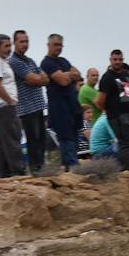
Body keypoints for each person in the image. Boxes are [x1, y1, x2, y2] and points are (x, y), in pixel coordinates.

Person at [8, 30, 49, 173]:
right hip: (26, 108)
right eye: (21, 42)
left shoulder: (30, 60)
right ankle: (36, 169)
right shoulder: (14, 62)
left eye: (26, 41)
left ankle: (41, 167)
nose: (25, 44)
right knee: (33, 140)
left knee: (42, 139)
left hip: (38, 105)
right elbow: (35, 78)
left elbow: (45, 78)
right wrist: (36, 80)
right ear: (14, 43)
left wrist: (37, 80)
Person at [40, 34, 82, 170]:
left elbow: (78, 75)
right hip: (59, 108)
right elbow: (63, 81)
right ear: (48, 45)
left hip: (72, 105)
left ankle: (74, 166)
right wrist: (69, 75)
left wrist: (68, 75)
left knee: (74, 138)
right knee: (66, 138)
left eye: (60, 45)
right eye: (55, 45)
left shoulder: (63, 61)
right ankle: (71, 167)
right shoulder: (46, 63)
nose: (58, 47)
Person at [0, 34, 24, 177]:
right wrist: (10, 100)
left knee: (3, 142)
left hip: (3, 106)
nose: (9, 49)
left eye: (10, 46)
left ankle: (5, 173)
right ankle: (18, 171)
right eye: (6, 46)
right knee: (12, 139)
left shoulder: (3, 62)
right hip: (3, 106)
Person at [94, 50, 129, 171]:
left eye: (120, 59)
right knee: (124, 142)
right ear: (110, 60)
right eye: (115, 59)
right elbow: (100, 100)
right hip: (116, 116)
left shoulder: (125, 74)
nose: (118, 62)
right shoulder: (107, 78)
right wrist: (109, 110)